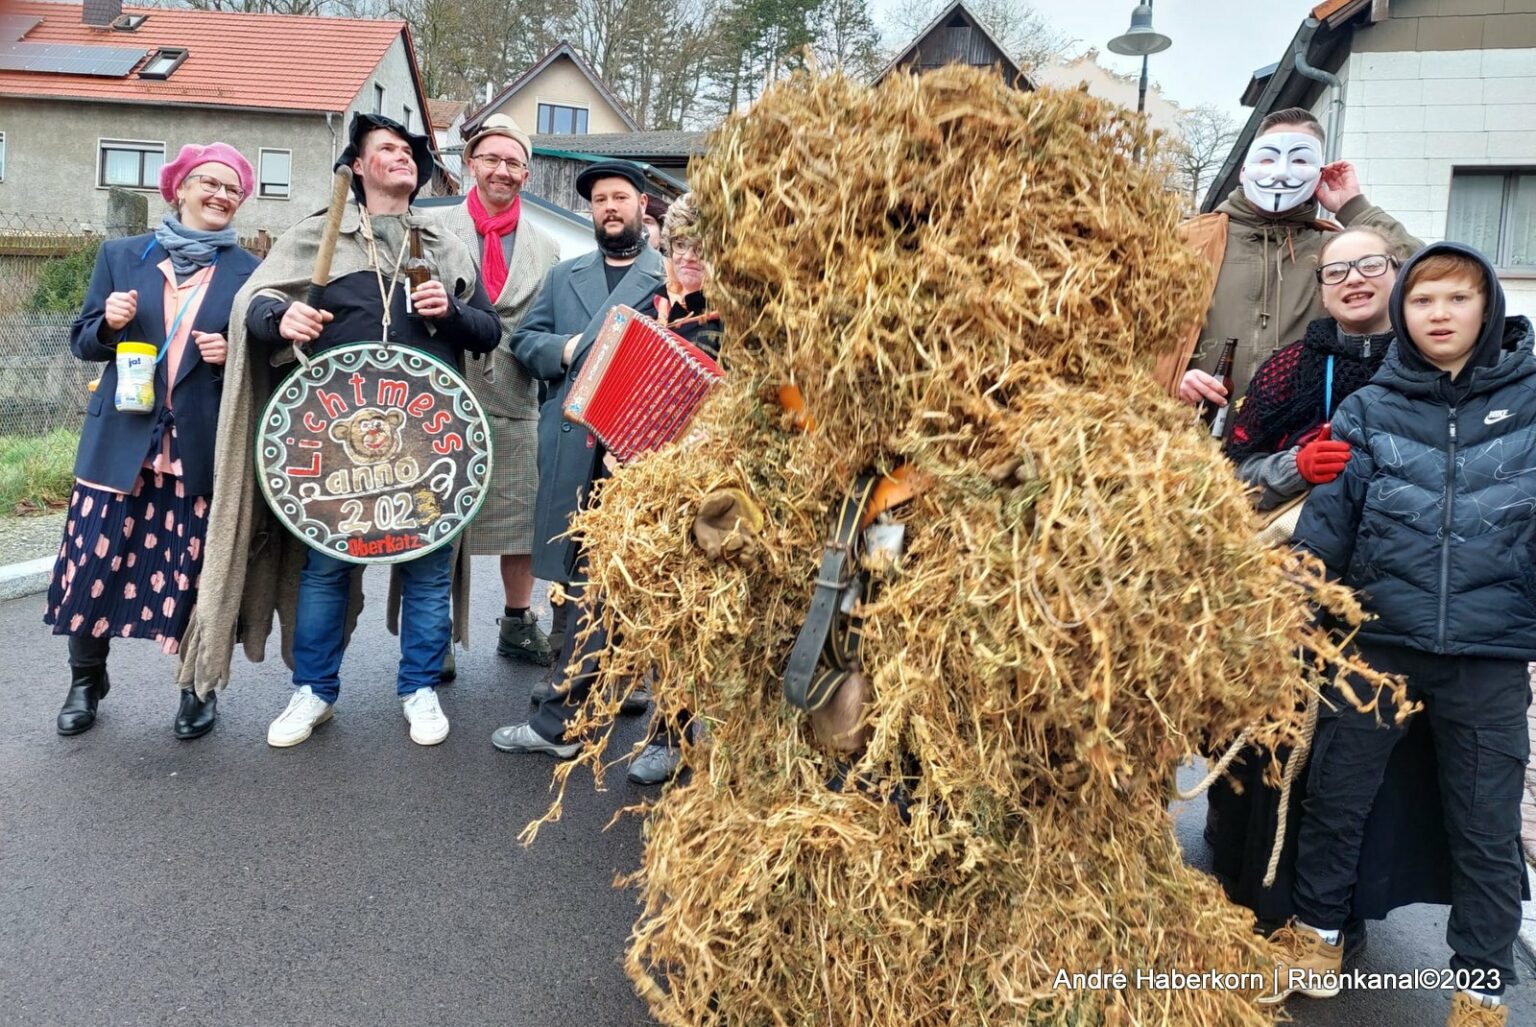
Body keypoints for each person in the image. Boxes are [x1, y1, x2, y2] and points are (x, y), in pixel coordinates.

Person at [1263, 242, 1535, 1027]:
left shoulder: (1531, 400)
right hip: (1374, 644)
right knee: (1337, 798)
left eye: (1456, 299)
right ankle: (1314, 938)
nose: (1439, 314)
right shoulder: (1370, 408)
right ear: (1403, 313)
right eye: (1423, 302)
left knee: (1485, 825)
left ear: (1487, 307)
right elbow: (1326, 530)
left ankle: (1481, 987)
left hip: (1487, 657)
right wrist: (1298, 612)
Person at [1206, 225, 1453, 942]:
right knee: (1274, 736)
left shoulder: (1434, 365)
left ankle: (1338, 907)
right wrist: (1295, 468)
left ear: (1395, 273)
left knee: (1364, 755)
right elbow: (1226, 478)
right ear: (1319, 287)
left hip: (1393, 590)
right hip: (1288, 585)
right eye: (1336, 271)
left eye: (1370, 265)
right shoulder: (1287, 369)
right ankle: (1255, 887)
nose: (1354, 280)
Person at [238, 113, 500, 748]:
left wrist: (454, 312)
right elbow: (253, 305)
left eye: (409, 150)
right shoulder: (318, 237)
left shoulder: (441, 245)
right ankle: (314, 692)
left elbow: (489, 331)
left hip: (428, 444)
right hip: (335, 449)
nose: (403, 157)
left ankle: (419, 689)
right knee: (326, 570)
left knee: (429, 571)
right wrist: (283, 318)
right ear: (357, 167)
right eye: (387, 149)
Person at [47, 142, 260, 740]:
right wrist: (109, 323)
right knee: (91, 566)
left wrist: (230, 357)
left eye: (233, 189)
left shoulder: (248, 272)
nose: (221, 195)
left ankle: (197, 686)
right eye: (210, 183)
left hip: (195, 449)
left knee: (194, 572)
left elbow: (263, 365)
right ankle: (86, 680)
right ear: (180, 189)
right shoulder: (122, 255)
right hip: (120, 444)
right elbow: (82, 340)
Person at [491, 159, 666, 758]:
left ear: (644, 206)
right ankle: (575, 679)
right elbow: (523, 341)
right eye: (599, 201)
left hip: (638, 446)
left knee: (632, 571)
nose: (610, 208)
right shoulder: (566, 276)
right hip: (572, 436)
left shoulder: (670, 278)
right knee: (572, 564)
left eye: (621, 197)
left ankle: (605, 688)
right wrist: (565, 348)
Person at [1159, 107, 1420, 410]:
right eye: (1268, 159)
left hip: (1296, 445)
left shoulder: (1335, 251)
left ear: (1320, 173)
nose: (1281, 172)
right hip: (1188, 438)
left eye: (1299, 160)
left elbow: (1430, 276)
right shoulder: (1186, 239)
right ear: (1244, 169)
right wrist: (1169, 376)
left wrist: (1354, 207)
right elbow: (1120, 332)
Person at [433, 114, 561, 674]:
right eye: (492, 159)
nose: (502, 170)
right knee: (439, 519)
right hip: (441, 395)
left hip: (516, 398)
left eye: (513, 162)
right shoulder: (431, 229)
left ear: (526, 173)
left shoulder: (548, 246)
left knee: (522, 520)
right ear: (471, 163)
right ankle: (432, 635)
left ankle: (516, 621)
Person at [626, 192, 722, 786]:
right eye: (679, 245)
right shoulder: (648, 305)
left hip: (725, 492)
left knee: (724, 617)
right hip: (657, 489)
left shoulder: (744, 318)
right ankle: (668, 731)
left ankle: (733, 736)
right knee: (669, 615)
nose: (689, 258)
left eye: (703, 248)